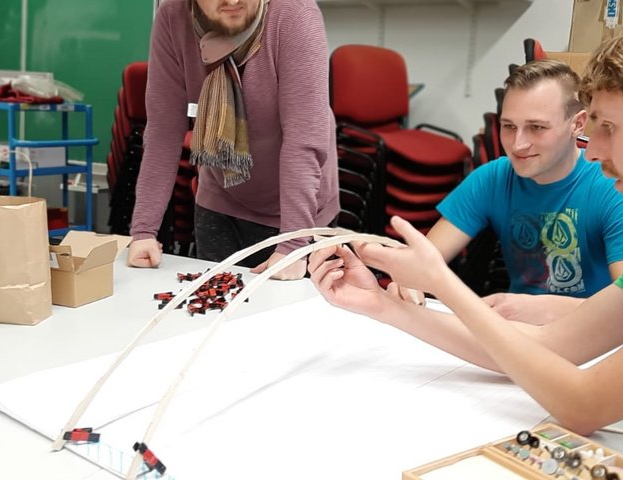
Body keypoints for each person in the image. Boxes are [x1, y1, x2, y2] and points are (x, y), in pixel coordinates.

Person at [308, 34, 623, 435]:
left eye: (609, 127)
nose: (593, 150)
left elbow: (583, 405)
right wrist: (382, 304)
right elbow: (545, 347)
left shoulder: (604, 192)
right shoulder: (494, 178)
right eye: (509, 126)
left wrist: (442, 283)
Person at [126, 0, 340, 280]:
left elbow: (303, 139)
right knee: (215, 314)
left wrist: (294, 245)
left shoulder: (294, 14)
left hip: (300, 211)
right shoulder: (173, 16)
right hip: (221, 197)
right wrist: (143, 230)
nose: (233, 0)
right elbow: (164, 130)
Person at [424, 59, 623, 324]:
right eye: (509, 126)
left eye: (536, 127)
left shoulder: (613, 186)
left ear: (577, 124)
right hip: (516, 329)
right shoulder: (494, 177)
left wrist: (550, 310)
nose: (518, 144)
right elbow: (426, 258)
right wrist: (407, 278)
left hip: (598, 338)